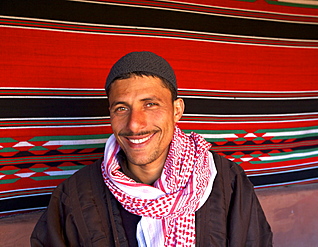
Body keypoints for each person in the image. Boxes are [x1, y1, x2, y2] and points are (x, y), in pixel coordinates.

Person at [31, 51, 272, 246]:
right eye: (122, 108)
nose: (135, 124)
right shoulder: (74, 195)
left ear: (177, 110)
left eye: (150, 104)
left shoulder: (227, 181)